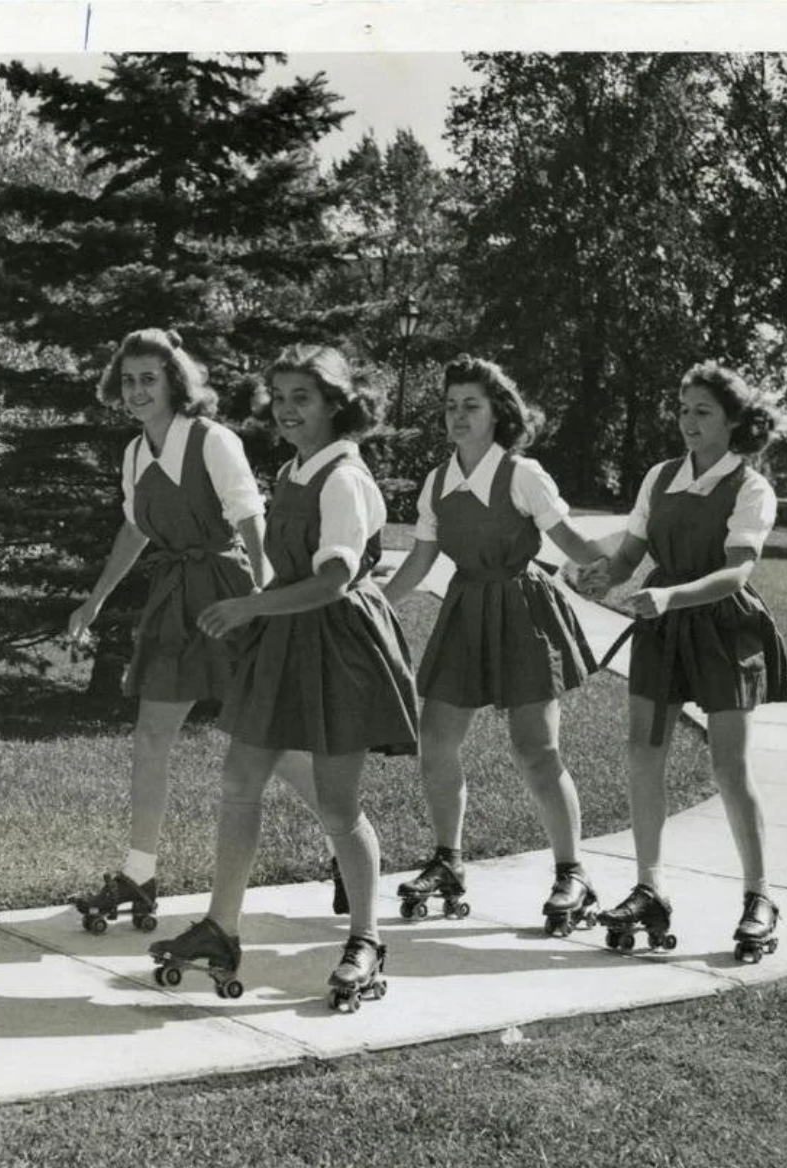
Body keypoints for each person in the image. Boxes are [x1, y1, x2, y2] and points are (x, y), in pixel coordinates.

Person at [148, 344, 418, 1009]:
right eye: (281, 397)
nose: (288, 410)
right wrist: (258, 612)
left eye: (304, 397)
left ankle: (366, 939)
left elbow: (333, 580)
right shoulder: (296, 469)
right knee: (240, 778)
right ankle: (222, 928)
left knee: (337, 802)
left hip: (341, 646)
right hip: (288, 638)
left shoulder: (344, 478)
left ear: (335, 404)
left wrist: (249, 606)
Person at [67, 328, 326, 930]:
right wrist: (94, 601)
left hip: (229, 594)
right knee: (151, 735)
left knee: (268, 740)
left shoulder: (212, 439)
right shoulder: (135, 453)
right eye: (128, 380)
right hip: (173, 598)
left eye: (149, 379)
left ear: (175, 383)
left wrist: (262, 600)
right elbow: (135, 528)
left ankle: (347, 841)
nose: (137, 391)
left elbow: (251, 518)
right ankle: (139, 875)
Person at [381, 354, 607, 936]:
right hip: (465, 610)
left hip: (523, 612)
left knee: (536, 750)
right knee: (435, 740)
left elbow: (573, 543)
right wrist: (374, 604)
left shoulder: (523, 474)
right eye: (451, 406)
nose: (458, 416)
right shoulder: (438, 482)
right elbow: (421, 561)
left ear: (496, 413)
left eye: (471, 406)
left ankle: (573, 873)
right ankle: (448, 862)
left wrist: (630, 568)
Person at [578, 359, 787, 962]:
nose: (688, 421)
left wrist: (671, 596)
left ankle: (759, 897)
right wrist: (604, 576)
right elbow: (630, 555)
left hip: (724, 626)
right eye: (682, 409)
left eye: (703, 412)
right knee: (642, 752)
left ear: (733, 422)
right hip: (663, 627)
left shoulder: (751, 487)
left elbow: (736, 573)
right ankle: (650, 889)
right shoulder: (660, 476)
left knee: (729, 767)